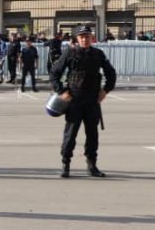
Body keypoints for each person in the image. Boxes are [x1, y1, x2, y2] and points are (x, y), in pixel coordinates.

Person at [49, 25, 116, 178]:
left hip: (92, 101)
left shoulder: (98, 54)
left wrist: (105, 90)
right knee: (70, 134)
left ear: (92, 38)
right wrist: (62, 91)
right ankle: (65, 164)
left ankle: (92, 165)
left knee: (92, 135)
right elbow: (54, 73)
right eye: (81, 37)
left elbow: (111, 73)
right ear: (77, 39)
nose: (85, 39)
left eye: (87, 36)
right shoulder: (70, 53)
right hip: (74, 100)